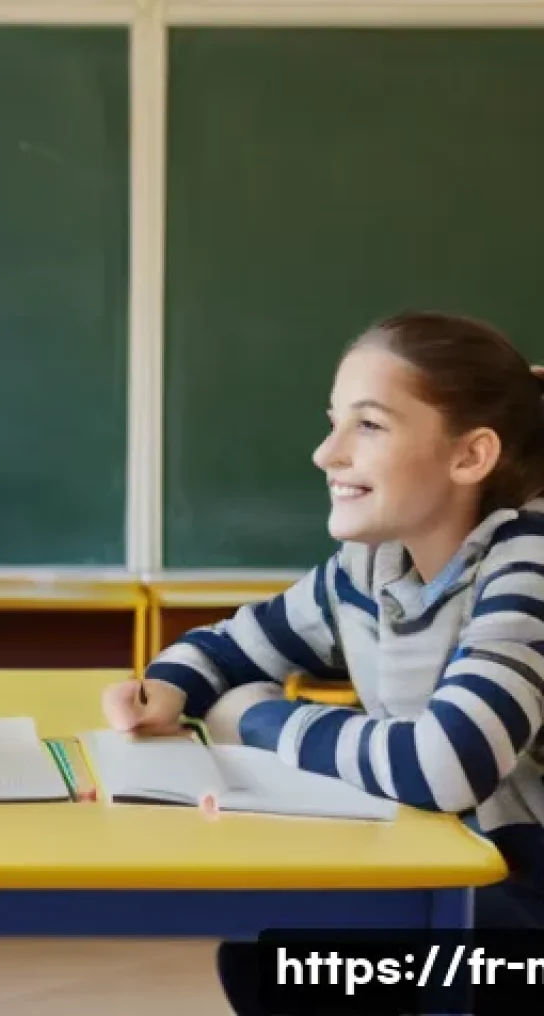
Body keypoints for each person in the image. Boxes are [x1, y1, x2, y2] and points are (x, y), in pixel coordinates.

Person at [103, 311, 544, 1014]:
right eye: (333, 421)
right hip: (452, 872)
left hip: (525, 908)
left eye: (368, 426)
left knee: (301, 960)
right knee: (264, 951)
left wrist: (259, 717)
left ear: (470, 457)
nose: (326, 453)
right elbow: (228, 647)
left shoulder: (529, 565)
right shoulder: (367, 569)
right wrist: (166, 688)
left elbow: (448, 764)